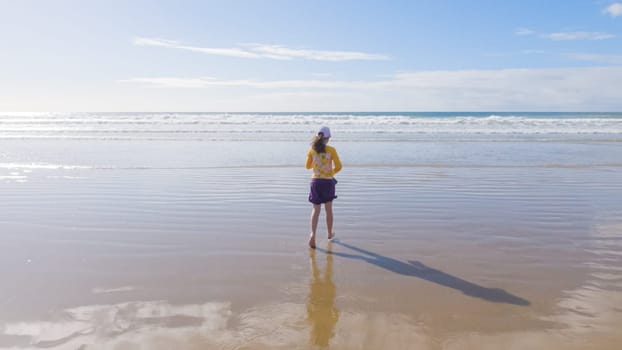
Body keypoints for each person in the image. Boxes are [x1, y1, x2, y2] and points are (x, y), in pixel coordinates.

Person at [305, 126, 342, 249]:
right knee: (328, 210)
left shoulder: (312, 150)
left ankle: (312, 234)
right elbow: (339, 166)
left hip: (315, 182)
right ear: (328, 138)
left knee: (315, 210)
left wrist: (317, 162)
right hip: (327, 182)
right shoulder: (331, 150)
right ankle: (329, 233)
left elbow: (307, 166)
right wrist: (331, 173)